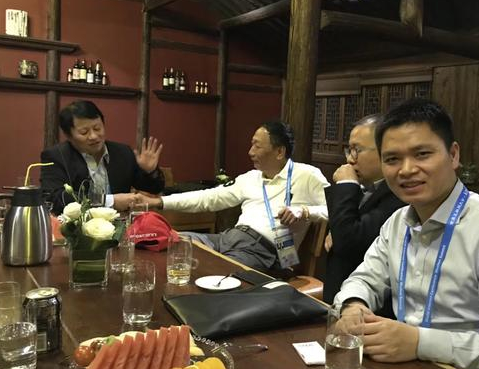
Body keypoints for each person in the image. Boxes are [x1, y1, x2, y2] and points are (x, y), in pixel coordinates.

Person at [334, 99, 479, 369]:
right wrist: (354, 305)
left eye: (422, 154)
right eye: (392, 159)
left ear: (453, 154)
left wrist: (420, 343)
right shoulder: (398, 222)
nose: (407, 170)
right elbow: (364, 278)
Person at [138, 121, 329, 271]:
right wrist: (159, 201)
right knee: (170, 242)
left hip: (263, 251)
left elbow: (336, 209)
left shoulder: (307, 175)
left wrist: (304, 211)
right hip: (227, 239)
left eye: (257, 146)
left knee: (214, 272)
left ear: (280, 151)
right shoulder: (251, 177)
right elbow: (210, 197)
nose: (250, 152)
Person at [323, 114, 405, 304]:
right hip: (341, 295)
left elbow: (347, 243)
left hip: (368, 306)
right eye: (349, 150)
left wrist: (346, 184)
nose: (350, 159)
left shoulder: (399, 194)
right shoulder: (366, 188)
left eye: (357, 150)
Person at [41, 100, 165, 215]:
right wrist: (110, 201)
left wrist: (150, 172)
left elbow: (153, 189)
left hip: (120, 225)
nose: (94, 136)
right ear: (68, 135)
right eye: (84, 132)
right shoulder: (56, 156)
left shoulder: (122, 152)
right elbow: (54, 198)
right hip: (77, 228)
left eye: (97, 128)